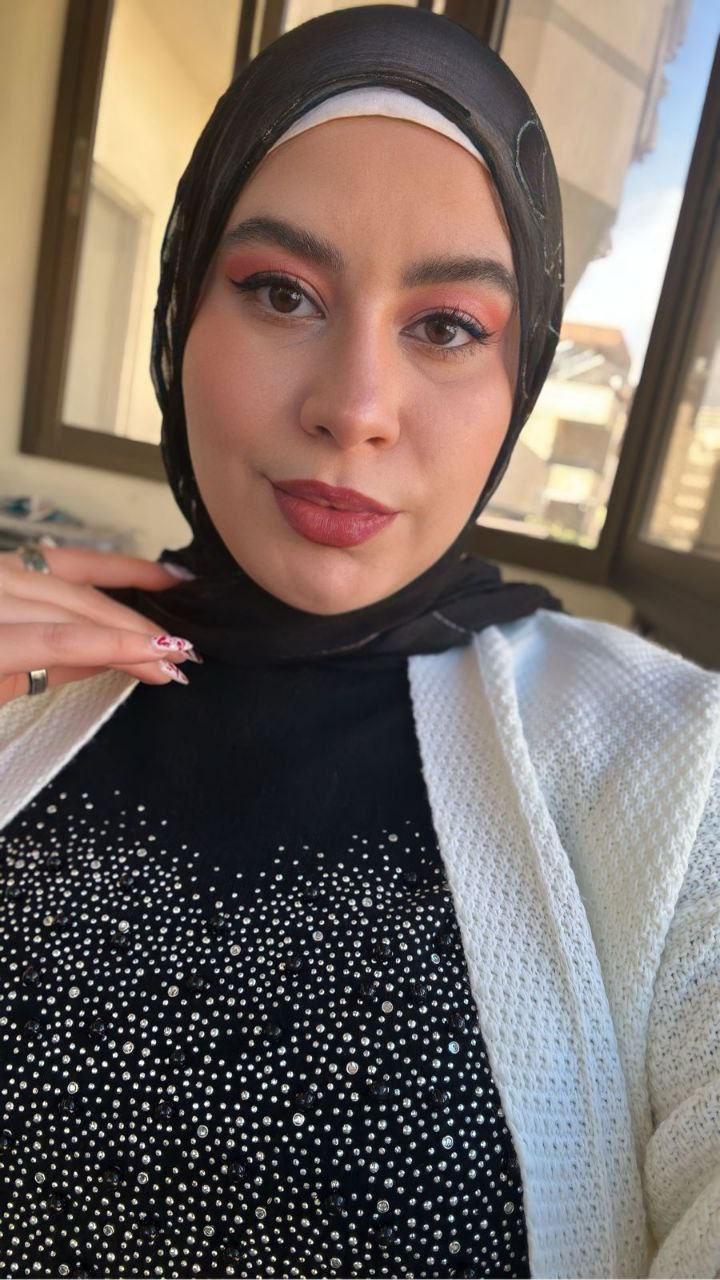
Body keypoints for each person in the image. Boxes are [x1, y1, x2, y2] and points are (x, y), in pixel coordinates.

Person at [0, 7, 717, 1279]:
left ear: (521, 376)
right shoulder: (28, 678)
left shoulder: (673, 764)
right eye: (281, 292)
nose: (356, 408)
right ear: (181, 313)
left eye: (446, 326)